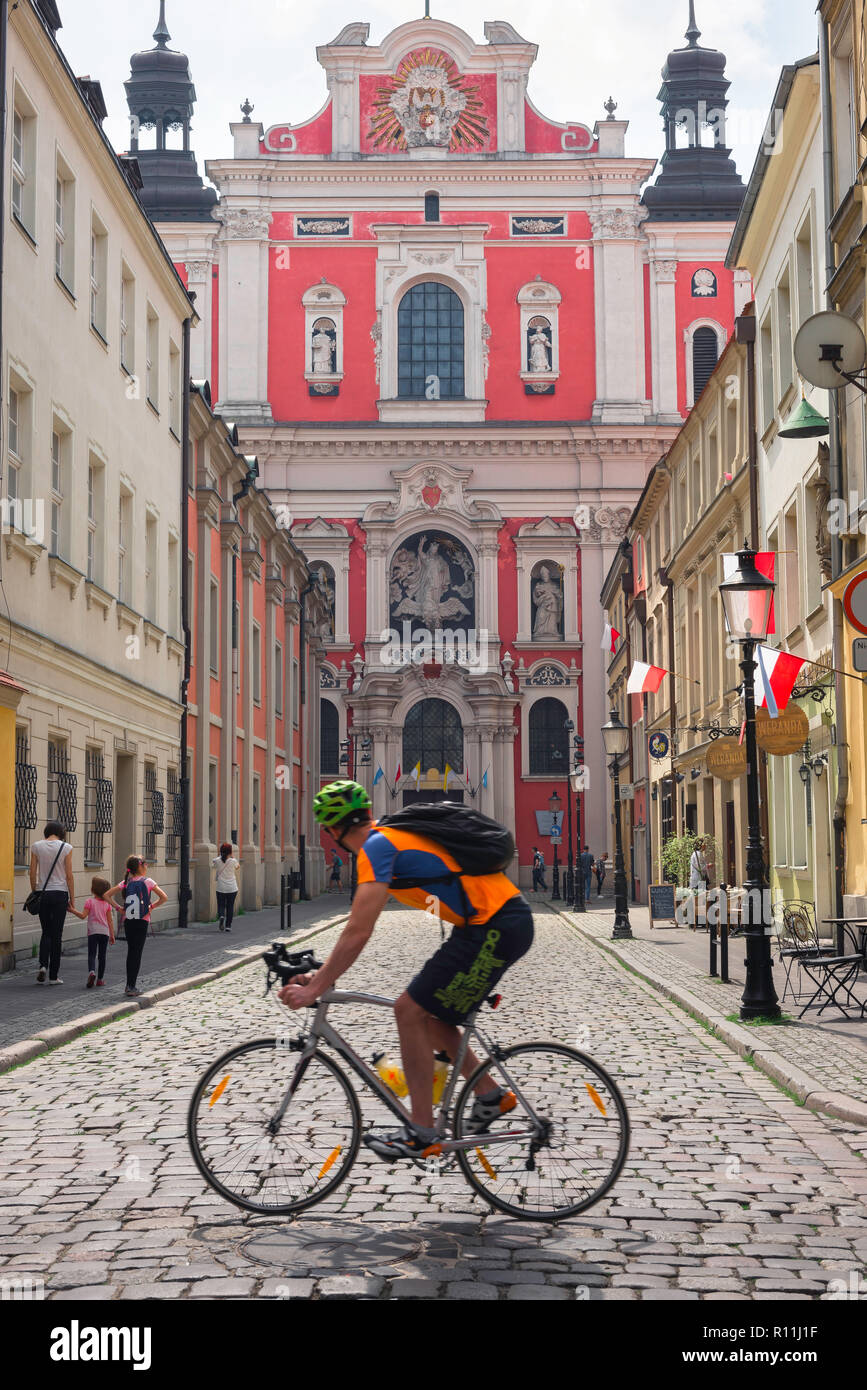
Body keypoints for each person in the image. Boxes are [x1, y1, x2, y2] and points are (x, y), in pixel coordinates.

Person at [279, 780, 534, 1160]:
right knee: (430, 1017)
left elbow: (359, 929)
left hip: (493, 926)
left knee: (408, 1010)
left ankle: (421, 1131)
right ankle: (490, 1095)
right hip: (490, 925)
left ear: (332, 831)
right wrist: (323, 974)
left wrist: (316, 988)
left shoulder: (376, 848)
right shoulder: (389, 839)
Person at [106, 857, 167, 998]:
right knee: (137, 953)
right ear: (140, 867)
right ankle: (131, 986)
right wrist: (151, 907)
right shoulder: (148, 882)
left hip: (129, 921)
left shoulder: (126, 882)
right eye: (145, 863)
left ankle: (129, 984)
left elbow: (106, 895)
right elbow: (164, 897)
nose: (147, 865)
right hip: (142, 920)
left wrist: (119, 908)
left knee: (131, 952)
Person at [29, 821, 75, 985]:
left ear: (47, 831)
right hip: (60, 893)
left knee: (46, 931)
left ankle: (43, 966)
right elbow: (69, 875)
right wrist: (72, 898)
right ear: (61, 832)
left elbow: (32, 872)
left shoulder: (36, 846)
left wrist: (35, 891)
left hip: (43, 893)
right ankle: (54, 976)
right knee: (57, 934)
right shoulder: (66, 847)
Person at [67, 877, 115, 987]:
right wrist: (112, 935)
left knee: (92, 955)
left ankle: (92, 972)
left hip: (93, 932)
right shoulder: (107, 904)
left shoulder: (89, 902)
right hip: (104, 933)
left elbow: (83, 916)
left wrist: (72, 910)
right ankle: (100, 979)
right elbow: (110, 921)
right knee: (102, 957)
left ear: (93, 889)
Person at [212, 843, 240, 931]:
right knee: (230, 906)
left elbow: (214, 862)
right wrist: (232, 857)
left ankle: (221, 916)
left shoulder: (217, 860)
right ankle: (228, 926)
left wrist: (221, 856)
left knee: (221, 905)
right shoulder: (233, 861)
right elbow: (237, 867)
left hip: (221, 887)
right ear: (230, 852)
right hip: (232, 888)